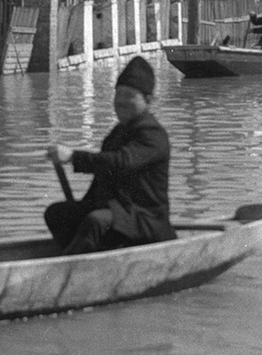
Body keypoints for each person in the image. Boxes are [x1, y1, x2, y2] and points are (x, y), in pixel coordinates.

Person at [44, 56, 171, 255]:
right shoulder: (117, 133)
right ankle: (84, 254)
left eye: (129, 95)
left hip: (146, 221)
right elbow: (101, 182)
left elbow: (120, 162)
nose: (120, 101)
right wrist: (80, 209)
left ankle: (72, 267)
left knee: (97, 221)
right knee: (58, 213)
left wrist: (73, 157)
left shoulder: (153, 136)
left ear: (148, 101)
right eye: (118, 94)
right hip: (120, 215)